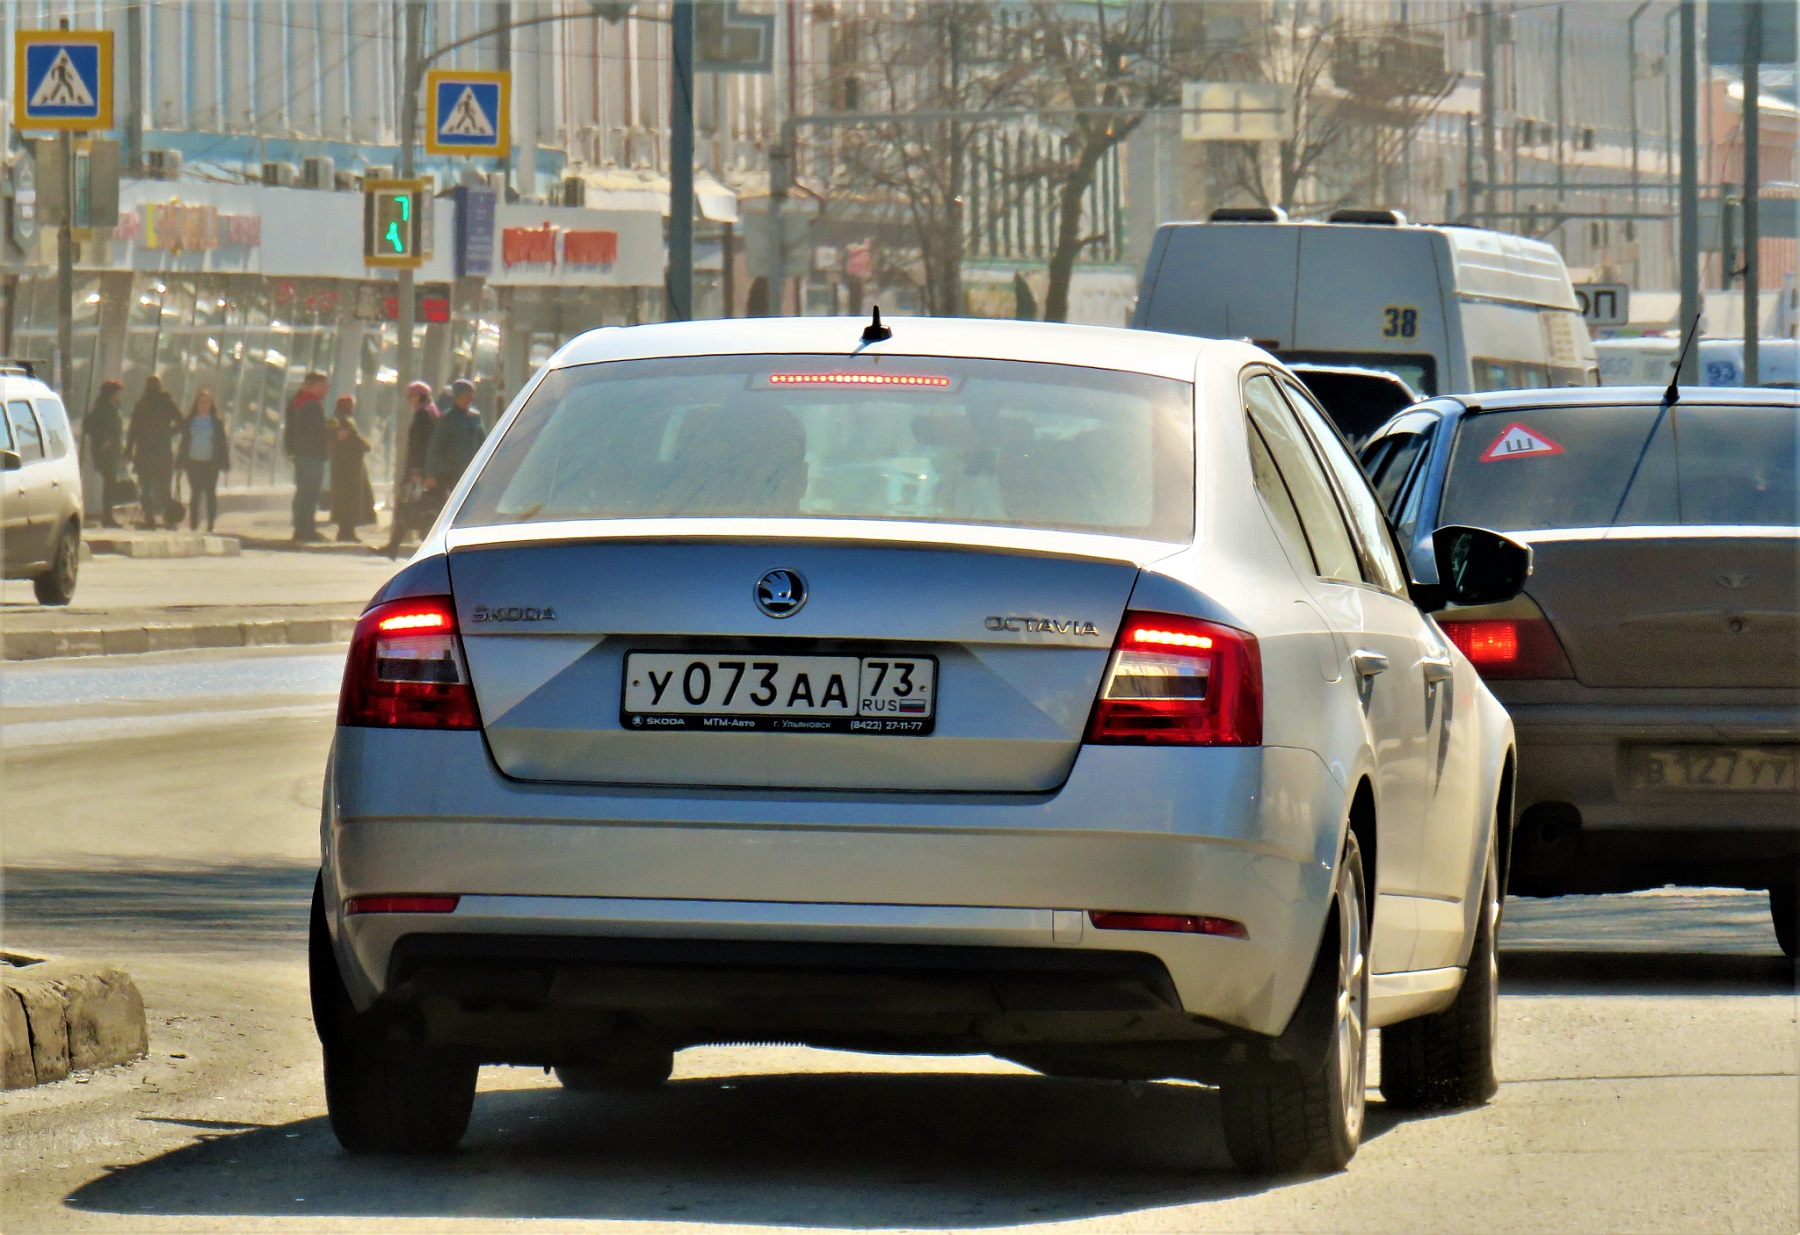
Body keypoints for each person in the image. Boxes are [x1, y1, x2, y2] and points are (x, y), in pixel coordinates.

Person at [385, 381, 441, 557]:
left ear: (418, 396)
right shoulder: (434, 412)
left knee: (409, 505)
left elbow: (419, 444)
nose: (409, 400)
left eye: (411, 396)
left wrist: (416, 471)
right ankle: (393, 546)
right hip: (428, 468)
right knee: (414, 506)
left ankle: (394, 546)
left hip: (418, 468)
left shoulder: (423, 415)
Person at [125, 375, 182, 529]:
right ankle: (169, 520)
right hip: (163, 451)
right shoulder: (166, 403)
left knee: (145, 487)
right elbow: (181, 422)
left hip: (144, 452)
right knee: (164, 489)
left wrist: (129, 450)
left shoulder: (141, 404)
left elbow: (133, 430)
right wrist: (168, 432)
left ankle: (150, 519)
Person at [284, 372, 329, 542]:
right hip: (310, 454)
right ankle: (305, 529)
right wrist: (330, 433)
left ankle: (303, 528)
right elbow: (313, 432)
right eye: (324, 386)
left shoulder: (300, 401)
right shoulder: (309, 403)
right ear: (313, 385)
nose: (326, 389)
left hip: (304, 453)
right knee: (309, 492)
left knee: (305, 491)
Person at [425, 378, 485, 498]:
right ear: (458, 396)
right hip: (451, 474)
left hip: (472, 472)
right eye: (467, 395)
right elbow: (435, 447)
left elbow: (483, 442)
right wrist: (430, 474)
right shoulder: (448, 419)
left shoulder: (475, 417)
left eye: (472, 395)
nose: (470, 398)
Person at [177, 389, 227, 532]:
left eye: (207, 402)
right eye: (201, 402)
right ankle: (194, 522)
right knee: (195, 493)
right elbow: (184, 442)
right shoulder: (190, 421)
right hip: (193, 462)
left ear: (211, 404)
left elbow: (221, 444)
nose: (204, 405)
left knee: (210, 493)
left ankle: (211, 523)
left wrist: (223, 463)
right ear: (197, 404)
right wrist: (180, 463)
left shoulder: (216, 422)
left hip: (210, 463)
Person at [327, 395, 373, 544]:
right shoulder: (344, 421)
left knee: (344, 498)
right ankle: (346, 532)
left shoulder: (335, 420)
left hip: (341, 465)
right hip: (349, 467)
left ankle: (345, 531)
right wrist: (365, 444)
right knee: (349, 499)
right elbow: (356, 440)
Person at [83, 380, 125, 528]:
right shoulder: (103, 409)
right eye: (119, 392)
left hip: (113, 452)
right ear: (112, 393)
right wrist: (103, 440)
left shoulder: (114, 407)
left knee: (110, 485)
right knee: (109, 484)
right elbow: (89, 425)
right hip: (105, 452)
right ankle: (107, 518)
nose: (121, 395)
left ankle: (108, 516)